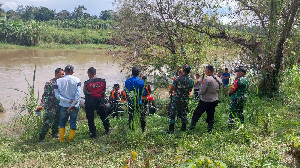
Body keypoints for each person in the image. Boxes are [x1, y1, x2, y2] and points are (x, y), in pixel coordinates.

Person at [190, 65, 222, 133]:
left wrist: (198, 93)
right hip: (215, 100)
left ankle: (192, 126)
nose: (205, 71)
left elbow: (202, 91)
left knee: (196, 113)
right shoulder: (218, 79)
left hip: (206, 100)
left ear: (208, 71)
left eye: (205, 70)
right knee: (211, 114)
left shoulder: (207, 79)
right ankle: (209, 129)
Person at [35, 68, 64, 142]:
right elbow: (45, 95)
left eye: (63, 74)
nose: (63, 76)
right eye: (61, 74)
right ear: (56, 74)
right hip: (51, 106)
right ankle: (41, 138)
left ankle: (55, 133)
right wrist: (42, 105)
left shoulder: (62, 83)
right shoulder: (50, 83)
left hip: (59, 105)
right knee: (48, 122)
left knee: (57, 121)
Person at [54, 65, 81, 142]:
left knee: (62, 121)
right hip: (74, 106)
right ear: (73, 72)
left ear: (64, 71)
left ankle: (62, 139)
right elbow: (78, 95)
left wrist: (67, 101)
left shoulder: (58, 81)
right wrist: (72, 104)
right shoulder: (77, 80)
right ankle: (70, 139)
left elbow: (57, 95)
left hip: (63, 105)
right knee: (73, 121)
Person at [83, 67, 110, 138]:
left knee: (90, 118)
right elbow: (103, 92)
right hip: (100, 101)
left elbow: (85, 92)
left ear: (89, 73)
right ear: (95, 73)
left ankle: (93, 133)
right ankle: (107, 129)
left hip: (90, 102)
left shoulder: (87, 83)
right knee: (104, 116)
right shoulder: (103, 81)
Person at [167, 65, 194, 134]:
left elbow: (171, 88)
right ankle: (183, 127)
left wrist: (171, 92)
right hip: (185, 99)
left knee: (173, 112)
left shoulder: (178, 79)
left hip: (177, 98)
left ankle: (171, 129)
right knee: (183, 112)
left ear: (183, 70)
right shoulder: (191, 80)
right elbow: (190, 89)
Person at [125, 67, 146, 132]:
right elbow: (143, 93)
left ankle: (131, 130)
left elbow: (126, 92)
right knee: (142, 116)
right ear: (139, 73)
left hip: (130, 102)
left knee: (130, 116)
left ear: (132, 73)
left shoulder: (127, 81)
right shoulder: (141, 82)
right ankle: (143, 130)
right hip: (138, 102)